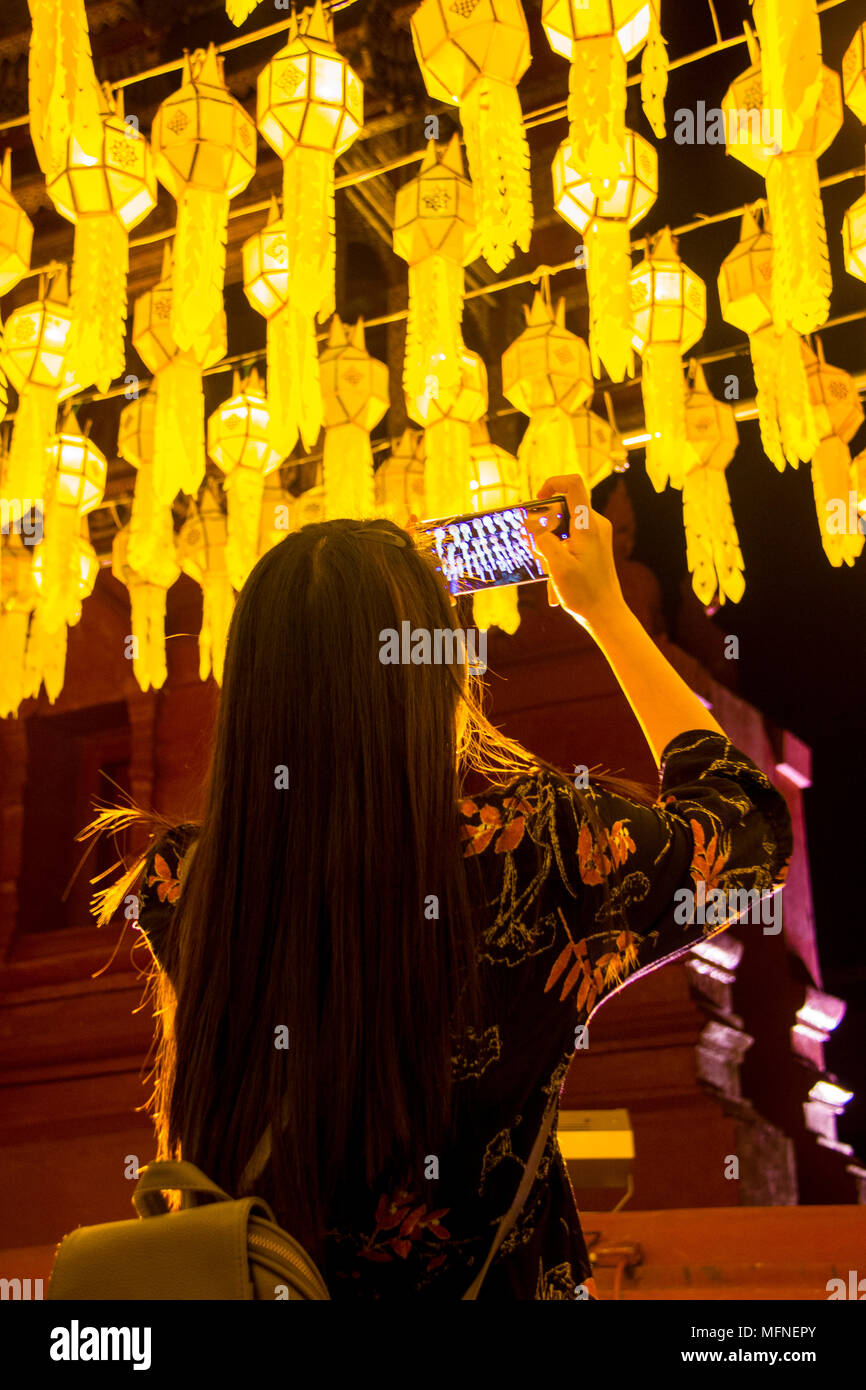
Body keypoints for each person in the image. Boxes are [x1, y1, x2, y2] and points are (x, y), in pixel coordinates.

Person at [84, 472, 793, 1300]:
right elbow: (745, 828)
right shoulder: (539, 849)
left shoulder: (182, 882)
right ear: (432, 670)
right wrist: (603, 609)